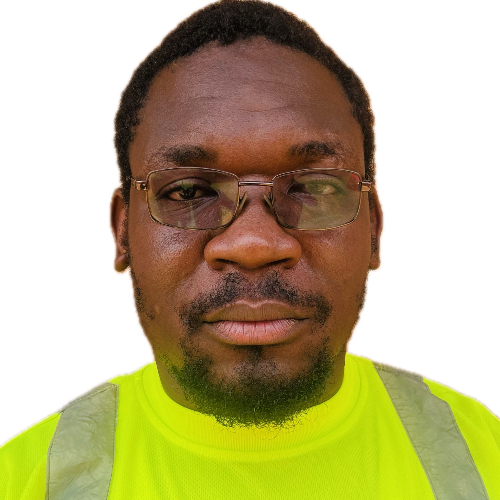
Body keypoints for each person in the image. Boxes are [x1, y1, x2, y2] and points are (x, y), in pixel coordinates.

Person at [1, 1, 499, 498]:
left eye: (315, 188)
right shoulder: (22, 479)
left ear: (374, 229)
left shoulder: (485, 456)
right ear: (124, 232)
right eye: (189, 192)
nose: (254, 244)